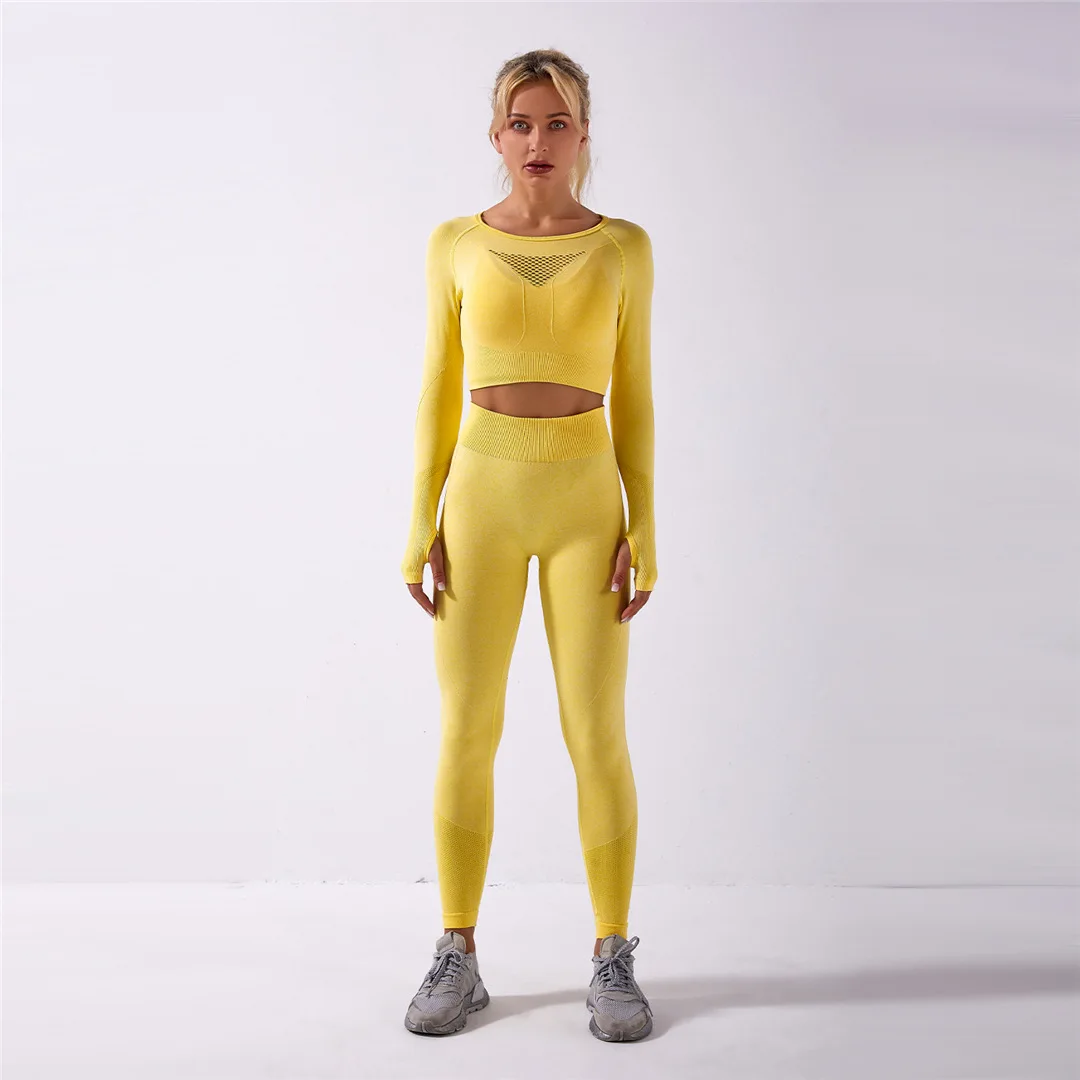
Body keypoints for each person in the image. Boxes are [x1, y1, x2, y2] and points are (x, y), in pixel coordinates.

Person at [400, 49, 658, 1042]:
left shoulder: (625, 247)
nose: (538, 141)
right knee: (469, 727)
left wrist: (645, 526)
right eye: (521, 123)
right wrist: (418, 523)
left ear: (584, 134)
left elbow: (636, 397)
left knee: (596, 732)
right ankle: (457, 950)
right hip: (481, 504)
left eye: (557, 123)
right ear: (495, 135)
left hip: (587, 504)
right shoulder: (454, 243)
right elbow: (436, 388)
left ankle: (612, 951)